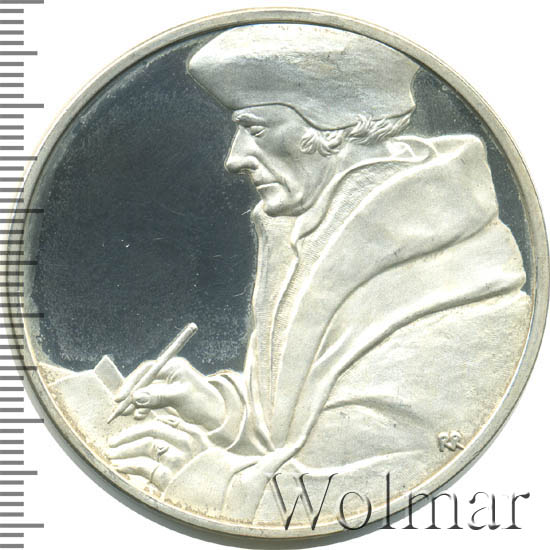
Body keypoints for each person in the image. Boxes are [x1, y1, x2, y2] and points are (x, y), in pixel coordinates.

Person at [54, 24, 532, 524]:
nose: (235, 157)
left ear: (333, 131)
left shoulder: (458, 280)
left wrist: (208, 480)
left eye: (256, 128)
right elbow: (306, 423)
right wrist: (221, 411)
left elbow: (381, 475)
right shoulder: (312, 233)